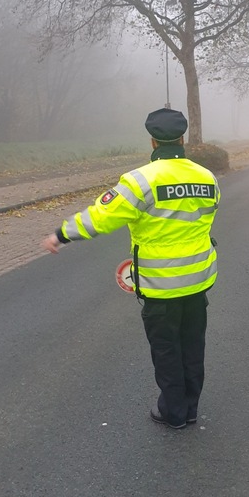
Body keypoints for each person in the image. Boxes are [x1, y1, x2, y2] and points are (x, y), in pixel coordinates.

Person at [42, 108, 220, 430]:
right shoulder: (206, 177)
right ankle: (191, 408)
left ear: (153, 141)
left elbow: (100, 216)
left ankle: (173, 413)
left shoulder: (139, 182)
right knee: (193, 346)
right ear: (183, 139)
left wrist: (61, 234)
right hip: (197, 283)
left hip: (161, 286)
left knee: (166, 350)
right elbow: (206, 218)